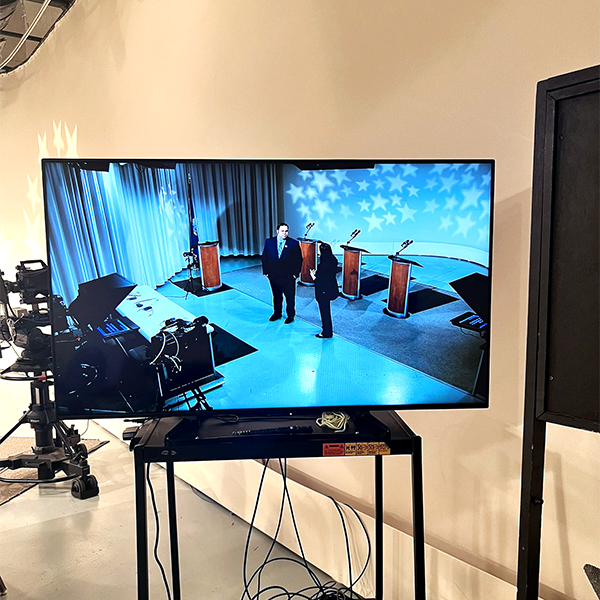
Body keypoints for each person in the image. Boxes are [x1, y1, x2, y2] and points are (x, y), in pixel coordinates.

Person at [261, 222, 303, 324]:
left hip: (288, 276)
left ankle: (290, 315)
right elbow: (265, 257)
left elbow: (299, 260)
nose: (284, 233)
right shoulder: (269, 242)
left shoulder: (294, 244)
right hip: (273, 275)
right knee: (276, 295)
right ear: (277, 231)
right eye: (282, 231)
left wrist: (295, 274)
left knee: (289, 297)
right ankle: (277, 313)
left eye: (286, 231)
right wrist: (266, 272)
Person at [310, 243, 339, 338]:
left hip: (323, 292)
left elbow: (319, 282)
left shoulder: (323, 266)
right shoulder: (334, 260)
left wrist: (313, 276)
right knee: (326, 312)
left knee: (325, 312)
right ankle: (326, 329)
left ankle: (327, 332)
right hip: (332, 288)